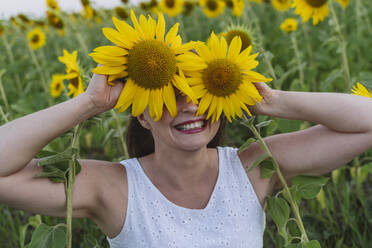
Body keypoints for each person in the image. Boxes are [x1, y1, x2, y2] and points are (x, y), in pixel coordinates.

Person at [0, 73, 371, 247]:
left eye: (201, 92)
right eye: (171, 95)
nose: (190, 105)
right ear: (142, 116)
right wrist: (89, 104)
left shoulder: (253, 167)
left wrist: (273, 102)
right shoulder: (113, 188)